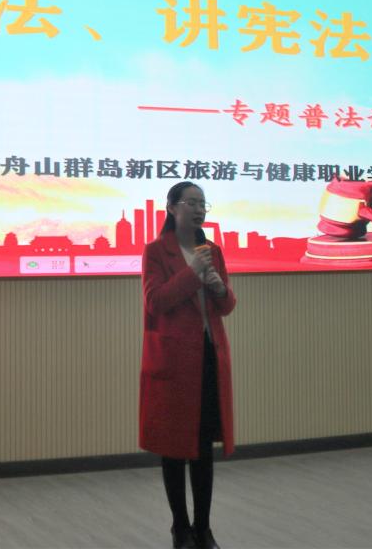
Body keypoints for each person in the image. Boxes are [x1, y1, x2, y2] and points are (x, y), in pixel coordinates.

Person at [139, 181, 237, 549]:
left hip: (208, 357)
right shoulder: (156, 251)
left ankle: (203, 528)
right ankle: (180, 528)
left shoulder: (212, 250)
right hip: (173, 364)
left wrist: (219, 288)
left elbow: (226, 306)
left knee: (203, 447)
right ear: (171, 208)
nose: (198, 210)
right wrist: (192, 272)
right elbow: (155, 302)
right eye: (191, 203)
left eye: (202, 204)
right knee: (174, 448)